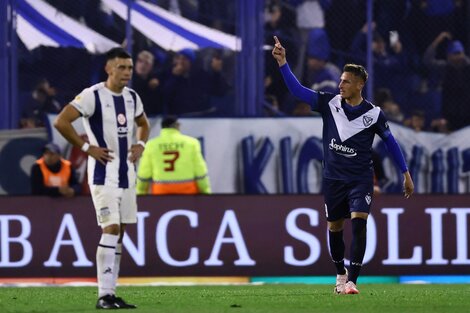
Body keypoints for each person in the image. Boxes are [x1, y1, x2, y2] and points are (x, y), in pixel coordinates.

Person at [272, 36, 414, 294]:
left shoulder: (374, 114)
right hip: (333, 179)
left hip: (360, 179)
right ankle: (340, 273)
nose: (341, 84)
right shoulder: (330, 103)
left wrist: (405, 173)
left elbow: (391, 143)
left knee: (359, 224)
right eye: (340, 80)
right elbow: (298, 91)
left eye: (346, 81)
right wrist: (283, 63)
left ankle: (352, 282)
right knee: (335, 229)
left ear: (360, 85)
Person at [54, 47, 150, 309]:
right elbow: (61, 121)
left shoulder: (132, 97)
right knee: (111, 228)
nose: (127, 73)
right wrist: (86, 149)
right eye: (122, 67)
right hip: (102, 175)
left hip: (127, 176)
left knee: (120, 234)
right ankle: (103, 295)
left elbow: (144, 124)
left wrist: (141, 145)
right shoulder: (92, 95)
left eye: (130, 68)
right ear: (109, 68)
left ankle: (110, 292)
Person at [136, 116, 211, 195]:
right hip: (188, 192)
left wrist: (140, 192)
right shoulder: (192, 143)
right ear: (177, 125)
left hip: (161, 192)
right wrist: (206, 192)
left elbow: (144, 173)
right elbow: (200, 171)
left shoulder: (151, 145)